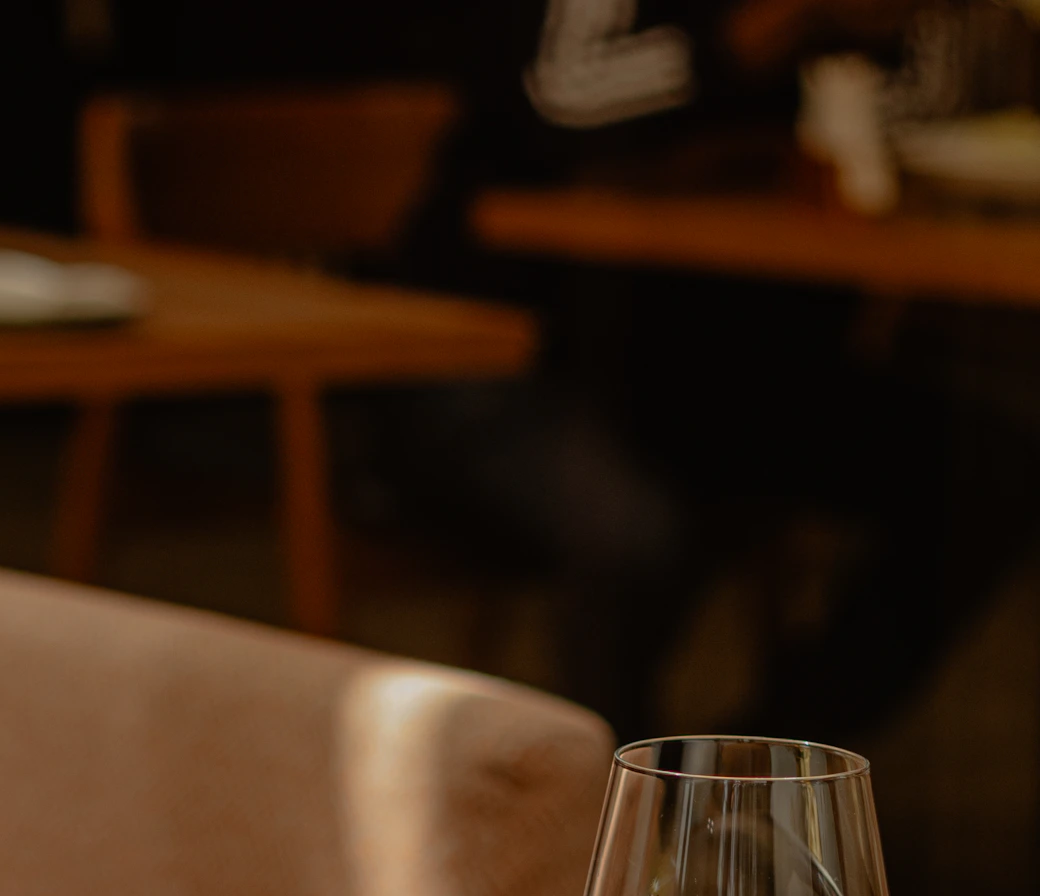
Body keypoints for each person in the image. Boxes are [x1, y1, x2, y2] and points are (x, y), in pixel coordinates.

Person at [361, 0, 1039, 748]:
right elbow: (556, 103)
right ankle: (622, 798)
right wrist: (767, 28)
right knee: (636, 529)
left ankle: (761, 772)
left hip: (727, 370)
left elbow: (944, 116)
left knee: (990, 468)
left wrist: (875, 29)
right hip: (506, 360)